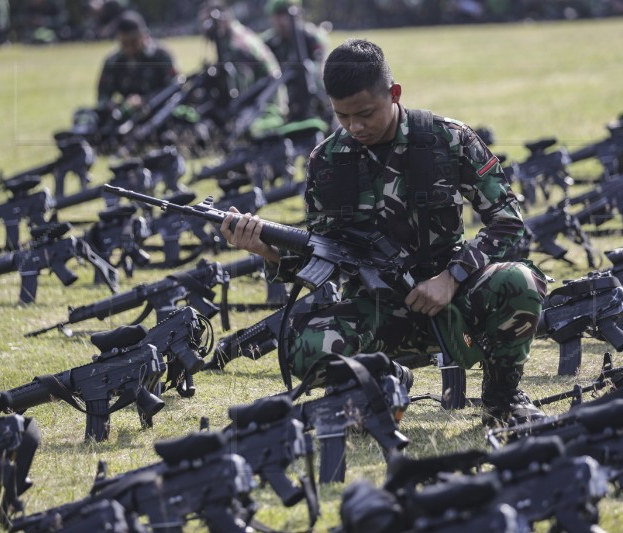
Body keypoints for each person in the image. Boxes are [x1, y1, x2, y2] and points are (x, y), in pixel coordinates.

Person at [220, 38, 549, 425]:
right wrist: (267, 250)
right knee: (302, 344)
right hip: (374, 312)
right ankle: (383, 383)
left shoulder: (448, 138)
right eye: (342, 117)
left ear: (394, 94)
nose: (354, 127)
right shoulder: (327, 160)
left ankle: (503, 398)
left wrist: (452, 276)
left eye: (365, 114)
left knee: (521, 282)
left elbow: (508, 220)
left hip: (453, 298)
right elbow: (325, 253)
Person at [198, 1, 287, 135]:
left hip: (267, 104)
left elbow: (242, 84)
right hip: (258, 97)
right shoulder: (229, 38)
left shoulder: (238, 44)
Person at [261, 0, 329, 122]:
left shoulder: (310, 36)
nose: (283, 21)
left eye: (286, 15)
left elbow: (322, 63)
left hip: (311, 86)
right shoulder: (269, 42)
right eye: (279, 16)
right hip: (283, 87)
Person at [96, 10, 177, 112]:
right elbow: (102, 98)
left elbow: (175, 88)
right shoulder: (113, 62)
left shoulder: (160, 56)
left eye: (133, 42)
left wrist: (146, 100)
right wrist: (117, 106)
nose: (129, 48)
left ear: (144, 35)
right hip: (126, 115)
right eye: (124, 43)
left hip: (159, 111)